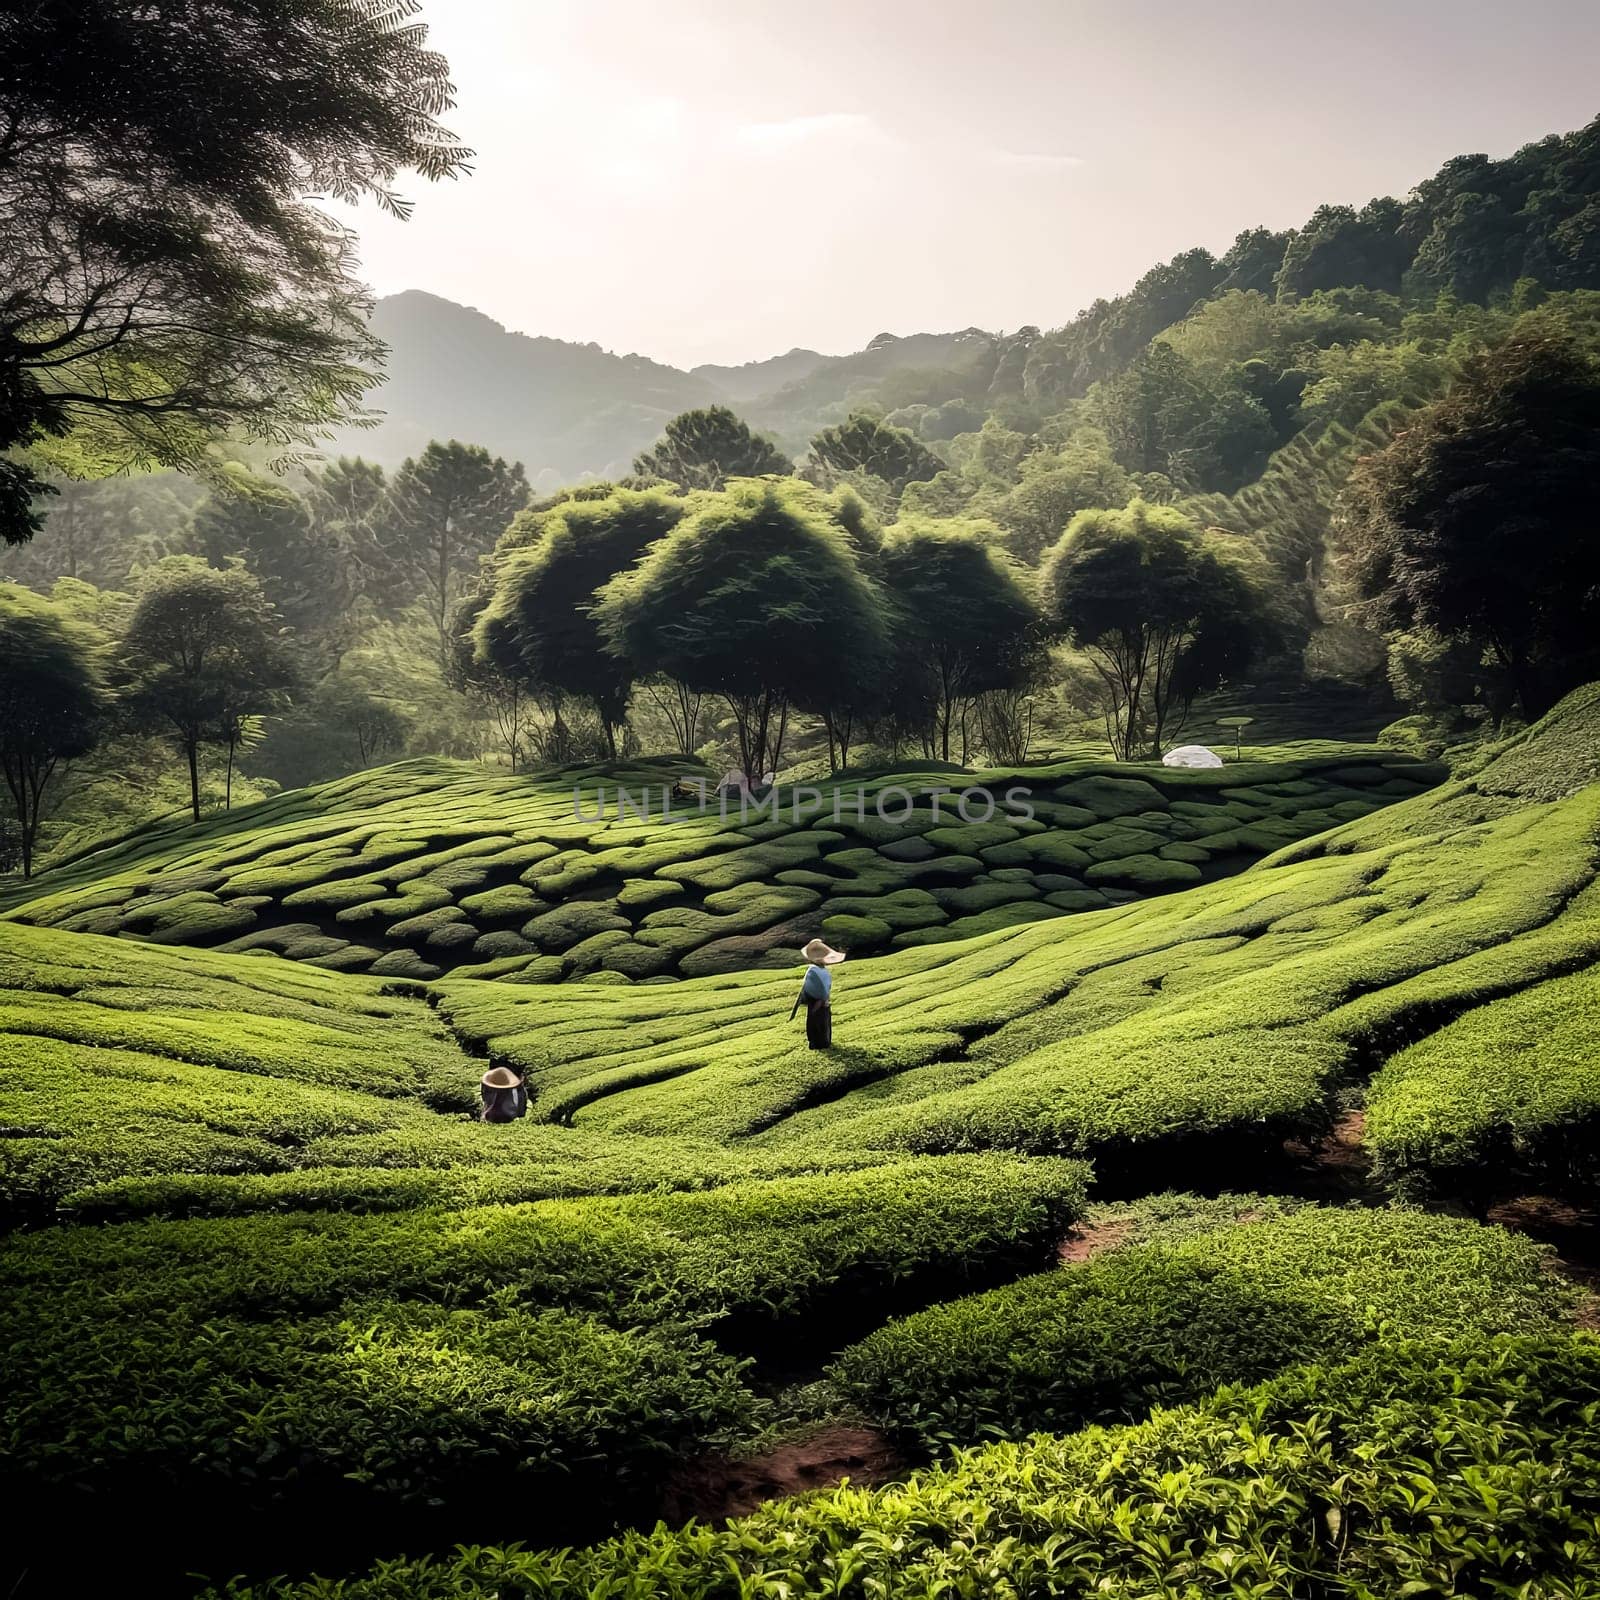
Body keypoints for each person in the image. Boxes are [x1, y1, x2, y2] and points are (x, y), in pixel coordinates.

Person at [789, 937, 845, 1049]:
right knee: (821, 1023)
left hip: (817, 1001)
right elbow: (821, 988)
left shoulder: (814, 970)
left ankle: (819, 1044)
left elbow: (815, 988)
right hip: (822, 1001)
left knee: (817, 1023)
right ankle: (822, 1043)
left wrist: (820, 1000)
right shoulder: (820, 970)